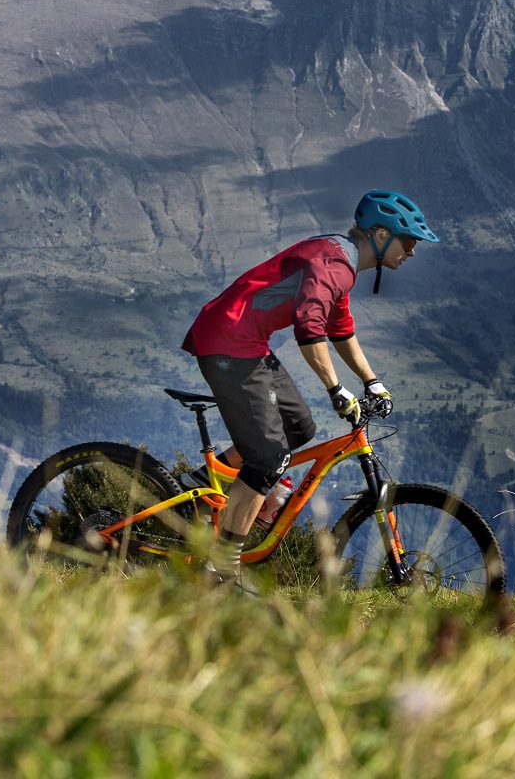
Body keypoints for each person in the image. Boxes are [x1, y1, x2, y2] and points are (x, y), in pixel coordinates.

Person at [181, 190, 438, 588]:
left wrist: (373, 382)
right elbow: (309, 329)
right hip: (227, 343)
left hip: (246, 343)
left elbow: (340, 329)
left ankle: (201, 481)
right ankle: (220, 570)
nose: (414, 252)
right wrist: (336, 389)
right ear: (383, 235)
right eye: (409, 242)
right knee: (268, 458)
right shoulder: (335, 261)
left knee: (300, 428)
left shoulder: (342, 262)